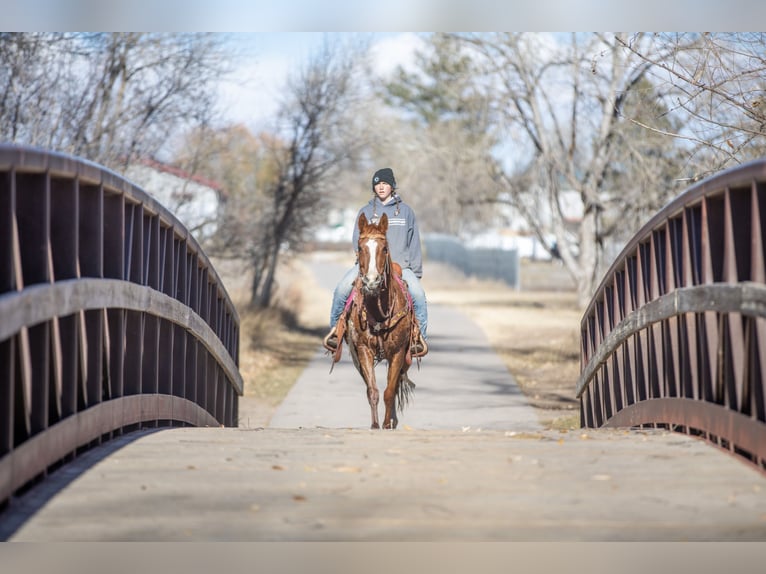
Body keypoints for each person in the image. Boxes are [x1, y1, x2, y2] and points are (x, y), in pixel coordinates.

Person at [322, 167, 428, 357]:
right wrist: (364, 265)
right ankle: (336, 334)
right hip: (368, 268)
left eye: (385, 184)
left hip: (401, 267)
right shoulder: (365, 211)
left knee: (419, 296)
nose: (381, 187)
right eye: (378, 184)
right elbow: (357, 240)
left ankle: (417, 339)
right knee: (341, 290)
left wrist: (416, 272)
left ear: (392, 186)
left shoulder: (405, 212)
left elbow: (414, 243)